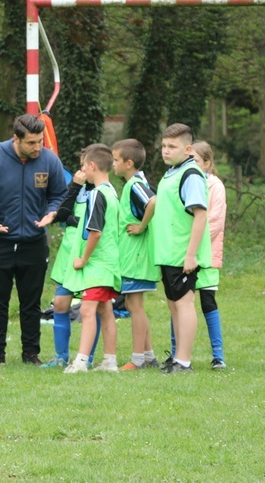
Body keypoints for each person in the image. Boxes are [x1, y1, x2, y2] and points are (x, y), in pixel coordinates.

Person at [0, 114, 67, 365]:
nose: (37, 148)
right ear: (16, 139)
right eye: (32, 143)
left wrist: (52, 213)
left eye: (40, 142)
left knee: (31, 303)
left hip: (34, 243)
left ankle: (31, 354)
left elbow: (59, 195)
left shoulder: (49, 160)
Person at [153, 124, 212, 374]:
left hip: (182, 253)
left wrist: (191, 254)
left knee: (185, 303)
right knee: (174, 305)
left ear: (187, 149)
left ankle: (184, 362)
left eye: (172, 147)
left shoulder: (191, 174)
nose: (166, 151)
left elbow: (200, 215)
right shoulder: (171, 172)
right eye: (164, 146)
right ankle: (178, 357)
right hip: (168, 252)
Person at [166, 141, 227, 370]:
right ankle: (175, 353)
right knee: (179, 300)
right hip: (185, 253)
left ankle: (218, 355)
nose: (192, 165)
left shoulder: (215, 186)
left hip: (205, 255)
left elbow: (214, 222)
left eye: (197, 162)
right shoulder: (182, 179)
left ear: (208, 164)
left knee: (207, 302)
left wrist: (195, 247)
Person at [61, 144, 122, 374]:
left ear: (92, 166)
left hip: (97, 264)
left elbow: (95, 232)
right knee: (105, 310)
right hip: (109, 263)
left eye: (83, 166)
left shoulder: (97, 194)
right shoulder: (111, 191)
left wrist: (83, 259)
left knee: (87, 311)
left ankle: (81, 362)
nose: (81, 170)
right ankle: (110, 361)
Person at [41, 150, 101, 368]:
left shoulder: (101, 191)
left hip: (91, 256)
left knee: (91, 309)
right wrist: (74, 187)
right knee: (59, 303)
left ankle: (89, 356)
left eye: (83, 165)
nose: (80, 170)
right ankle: (61, 357)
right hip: (69, 254)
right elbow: (63, 215)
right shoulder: (79, 188)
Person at [111, 139, 161, 371]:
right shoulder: (135, 183)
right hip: (134, 256)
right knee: (133, 305)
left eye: (115, 160)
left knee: (135, 305)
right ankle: (149, 357)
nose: (112, 164)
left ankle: (137, 360)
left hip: (137, 256)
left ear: (129, 163)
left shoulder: (134, 184)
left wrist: (141, 227)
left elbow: (153, 201)